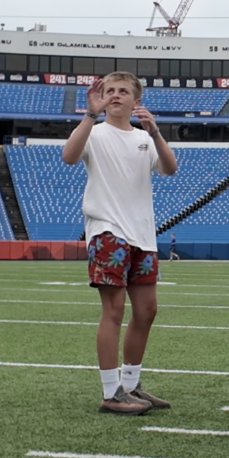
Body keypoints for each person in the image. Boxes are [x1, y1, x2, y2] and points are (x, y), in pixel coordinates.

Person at [62, 72, 178, 415]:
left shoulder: (144, 137)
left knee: (147, 310)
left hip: (142, 233)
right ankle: (111, 391)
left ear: (135, 99)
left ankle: (131, 383)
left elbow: (170, 168)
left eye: (123, 91)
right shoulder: (95, 132)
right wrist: (89, 114)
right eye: (109, 90)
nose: (115, 95)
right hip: (108, 231)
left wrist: (154, 130)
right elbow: (69, 156)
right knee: (113, 311)